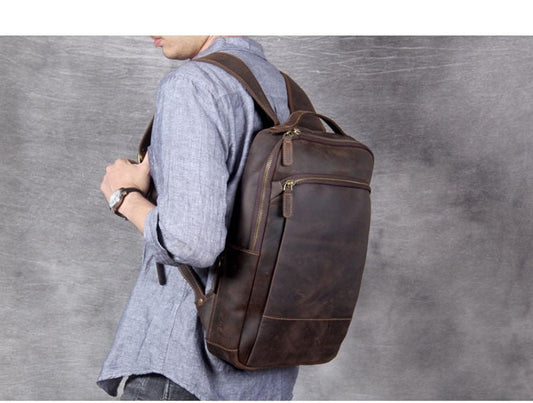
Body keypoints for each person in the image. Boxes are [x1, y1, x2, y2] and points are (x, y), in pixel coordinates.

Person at [98, 36, 298, 400]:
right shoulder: (284, 91)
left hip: (186, 368)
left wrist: (124, 197)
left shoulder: (193, 84)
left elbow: (193, 242)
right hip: (264, 374)